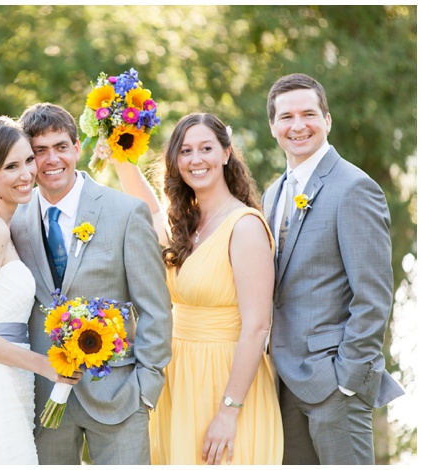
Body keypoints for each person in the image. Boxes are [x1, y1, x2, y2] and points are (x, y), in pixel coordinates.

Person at [112, 112, 283, 464]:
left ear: (226, 153)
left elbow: (257, 327)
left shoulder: (245, 226)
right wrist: (121, 154)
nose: (196, 159)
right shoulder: (186, 223)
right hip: (177, 377)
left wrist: (228, 412)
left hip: (225, 381)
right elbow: (150, 213)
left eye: (206, 148)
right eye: (185, 151)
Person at [10, 102, 172, 465]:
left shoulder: (126, 212)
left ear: (78, 146)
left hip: (118, 394)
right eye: (39, 151)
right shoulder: (13, 219)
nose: (52, 160)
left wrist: (147, 388)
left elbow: (155, 308)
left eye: (61, 147)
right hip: (42, 398)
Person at [262, 72, 404, 464]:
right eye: (286, 117)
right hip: (280, 384)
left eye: (309, 113)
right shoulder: (272, 194)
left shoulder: (353, 187)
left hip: (333, 385)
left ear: (327, 120)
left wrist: (348, 380)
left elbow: (373, 294)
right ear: (273, 126)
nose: (298, 125)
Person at [0, 114, 81, 465]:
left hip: (7, 379)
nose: (26, 175)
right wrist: (44, 365)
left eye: (27, 161)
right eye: (11, 167)